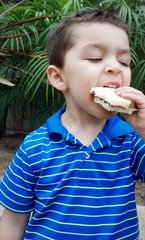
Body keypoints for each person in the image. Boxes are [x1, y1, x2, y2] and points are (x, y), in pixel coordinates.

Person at [0, 7, 145, 240]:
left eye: (124, 61)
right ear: (59, 77)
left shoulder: (131, 142)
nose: (115, 67)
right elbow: (12, 222)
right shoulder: (35, 148)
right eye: (95, 58)